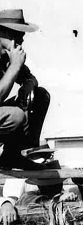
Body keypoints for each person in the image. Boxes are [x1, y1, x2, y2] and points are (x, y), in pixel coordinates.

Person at [0, 9, 51, 170]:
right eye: (16, 32)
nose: (22, 38)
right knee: (15, 115)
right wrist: (14, 66)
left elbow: (31, 78)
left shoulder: (8, 55)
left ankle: (15, 156)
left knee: (40, 95)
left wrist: (28, 83)